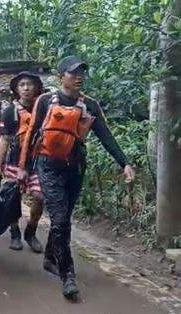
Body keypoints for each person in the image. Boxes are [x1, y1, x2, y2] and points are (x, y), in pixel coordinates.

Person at [18, 56, 135, 301]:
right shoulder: (45, 101)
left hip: (75, 169)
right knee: (60, 220)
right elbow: (30, 135)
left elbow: (105, 135)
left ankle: (50, 257)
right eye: (73, 73)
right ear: (61, 77)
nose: (79, 77)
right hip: (49, 167)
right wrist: (24, 168)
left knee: (63, 219)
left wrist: (124, 163)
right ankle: (67, 274)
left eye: (82, 72)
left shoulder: (90, 105)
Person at [0, 71, 45, 253]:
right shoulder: (11, 111)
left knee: (39, 198)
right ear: (16, 89)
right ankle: (14, 232)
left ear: (37, 88)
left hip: (38, 161)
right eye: (22, 85)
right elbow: (4, 139)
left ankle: (31, 231)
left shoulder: (44, 109)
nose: (26, 88)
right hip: (15, 160)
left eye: (29, 84)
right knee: (13, 198)